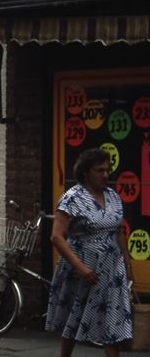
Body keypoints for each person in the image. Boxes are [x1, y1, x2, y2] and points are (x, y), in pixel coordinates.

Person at [46, 148, 133, 356]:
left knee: (113, 319)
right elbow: (57, 236)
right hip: (82, 267)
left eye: (107, 170)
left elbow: (119, 231)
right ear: (86, 172)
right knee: (74, 317)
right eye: (99, 170)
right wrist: (81, 268)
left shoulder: (113, 196)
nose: (105, 175)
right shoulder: (72, 198)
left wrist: (128, 265)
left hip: (112, 269)